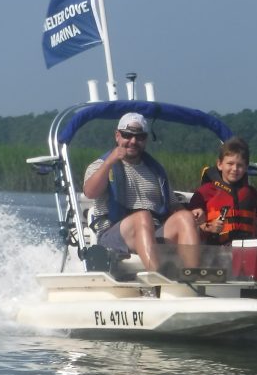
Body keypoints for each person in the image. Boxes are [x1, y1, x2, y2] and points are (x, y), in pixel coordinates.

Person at [83, 112, 202, 270]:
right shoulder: (100, 165)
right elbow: (90, 192)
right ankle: (157, 277)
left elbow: (174, 205)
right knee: (142, 216)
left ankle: (192, 275)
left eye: (139, 137)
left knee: (185, 217)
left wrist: (193, 214)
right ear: (117, 136)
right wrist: (109, 162)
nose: (133, 141)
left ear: (145, 140)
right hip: (114, 234)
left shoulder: (156, 171)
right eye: (127, 135)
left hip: (153, 231)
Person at [189, 136, 257, 244]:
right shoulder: (204, 192)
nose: (235, 169)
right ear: (220, 164)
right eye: (230, 164)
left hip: (246, 250)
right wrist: (209, 227)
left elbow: (256, 226)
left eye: (240, 165)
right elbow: (192, 225)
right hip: (215, 251)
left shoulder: (251, 193)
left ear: (246, 168)